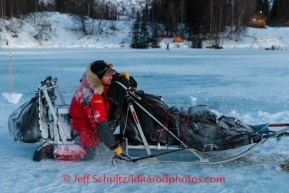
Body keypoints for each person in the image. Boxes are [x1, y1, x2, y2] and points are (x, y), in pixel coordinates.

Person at [69, 60, 127, 161]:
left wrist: (122, 76)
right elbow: (101, 123)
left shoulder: (96, 80)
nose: (111, 77)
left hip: (93, 118)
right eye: (107, 75)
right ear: (99, 78)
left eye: (111, 73)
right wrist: (113, 146)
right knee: (90, 153)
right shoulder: (94, 96)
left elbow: (110, 76)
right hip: (84, 126)